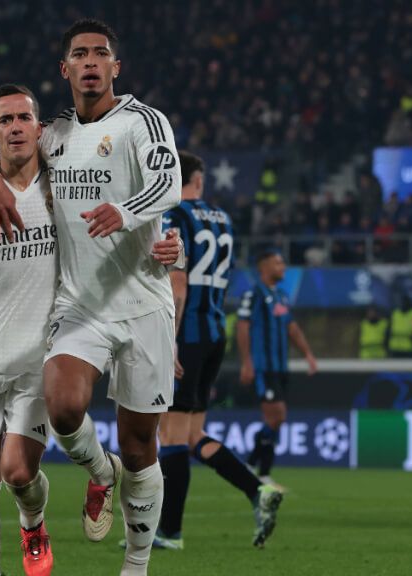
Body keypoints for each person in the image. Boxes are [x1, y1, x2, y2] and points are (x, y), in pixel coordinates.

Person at [0, 83, 181, 576]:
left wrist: (171, 248)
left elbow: (131, 192)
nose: (15, 127)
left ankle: (63, 501)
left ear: (40, 128)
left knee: (17, 471)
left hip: (40, 353)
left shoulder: (60, 182)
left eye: (23, 118)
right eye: (5, 121)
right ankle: (9, 553)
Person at [0, 19, 183, 575]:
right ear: (65, 70)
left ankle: (135, 565)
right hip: (79, 306)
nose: (90, 62)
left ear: (115, 67)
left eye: (100, 54)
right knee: (62, 408)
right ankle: (99, 472)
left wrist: (131, 215)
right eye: (80, 54)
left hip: (143, 305)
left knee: (141, 450)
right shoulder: (53, 133)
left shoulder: (142, 122)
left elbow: (169, 182)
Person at [145, 151, 283, 551]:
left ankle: (170, 532)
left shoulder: (173, 216)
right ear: (200, 180)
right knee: (191, 435)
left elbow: (178, 285)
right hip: (213, 333)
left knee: (169, 434)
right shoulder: (222, 219)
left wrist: (168, 340)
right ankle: (258, 490)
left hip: (185, 333)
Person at [237, 250, 317, 489]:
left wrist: (308, 354)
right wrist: (247, 362)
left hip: (280, 367)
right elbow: (243, 327)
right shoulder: (254, 295)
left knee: (276, 419)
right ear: (264, 267)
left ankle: (252, 466)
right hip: (263, 367)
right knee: (277, 416)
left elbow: (291, 328)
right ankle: (262, 473)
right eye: (278, 262)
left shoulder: (281, 296)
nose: (283, 266)